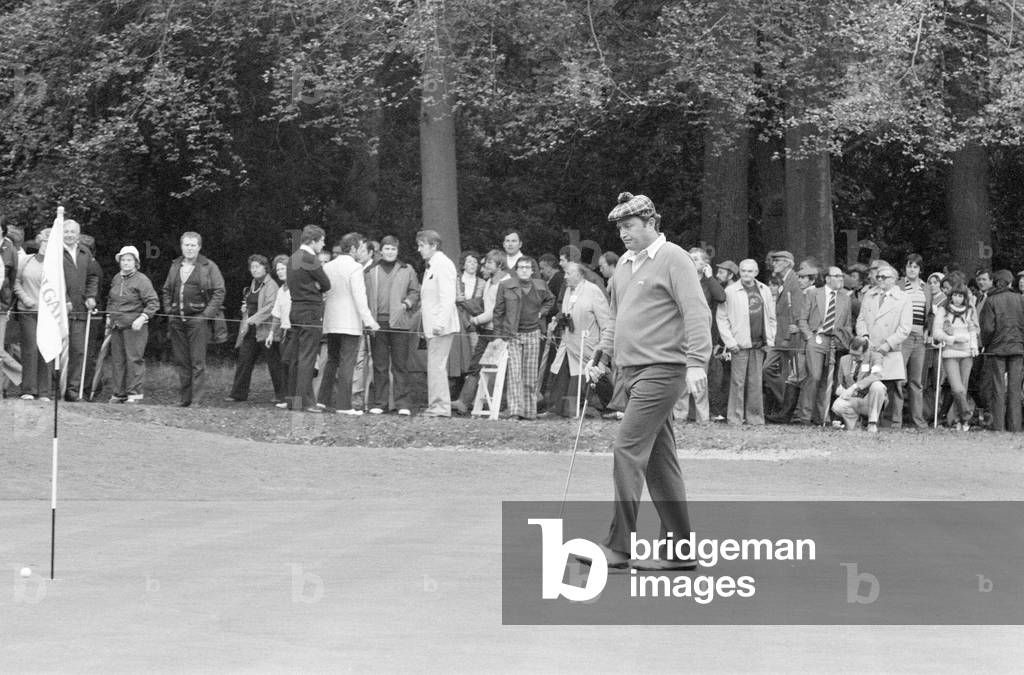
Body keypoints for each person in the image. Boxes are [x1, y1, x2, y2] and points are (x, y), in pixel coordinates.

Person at [585, 192, 711, 570]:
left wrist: (697, 363)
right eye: (620, 228)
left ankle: (619, 547)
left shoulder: (673, 257)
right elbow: (617, 318)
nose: (623, 234)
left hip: (664, 369)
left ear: (650, 223)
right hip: (632, 371)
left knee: (626, 449)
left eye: (629, 226)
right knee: (660, 462)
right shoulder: (623, 264)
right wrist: (603, 355)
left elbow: (696, 310)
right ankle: (681, 552)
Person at [161, 232, 225, 407]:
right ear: (181, 246)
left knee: (197, 361)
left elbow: (219, 292)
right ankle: (185, 398)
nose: (189, 248)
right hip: (177, 320)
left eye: (193, 245)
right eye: (186, 245)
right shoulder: (175, 265)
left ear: (199, 247)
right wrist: (169, 311)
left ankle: (196, 400)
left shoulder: (209, 266)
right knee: (182, 361)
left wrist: (206, 316)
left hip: (198, 320)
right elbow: (166, 290)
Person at [319, 233, 379, 415]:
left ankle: (322, 400)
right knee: (347, 362)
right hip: (349, 322)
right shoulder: (355, 268)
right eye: (359, 247)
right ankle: (344, 405)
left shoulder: (328, 266)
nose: (361, 251)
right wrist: (370, 322)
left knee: (332, 360)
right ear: (352, 249)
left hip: (331, 320)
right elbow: (360, 298)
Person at [546, 262, 612, 417]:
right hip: (569, 341)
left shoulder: (593, 290)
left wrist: (604, 349)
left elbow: (606, 322)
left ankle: (613, 405)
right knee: (561, 372)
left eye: (569, 273)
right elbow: (567, 311)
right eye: (565, 273)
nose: (565, 276)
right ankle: (557, 408)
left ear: (580, 274)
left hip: (587, 344)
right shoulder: (568, 290)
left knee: (595, 374)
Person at [493, 256, 555, 420]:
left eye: (527, 267)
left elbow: (551, 300)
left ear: (532, 270)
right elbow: (498, 312)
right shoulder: (506, 286)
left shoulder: (540, 286)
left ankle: (529, 411)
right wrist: (498, 336)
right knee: (514, 373)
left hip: (533, 333)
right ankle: (515, 411)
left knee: (530, 375)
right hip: (513, 335)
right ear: (516, 270)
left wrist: (542, 312)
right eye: (521, 267)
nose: (524, 270)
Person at [365, 235, 420, 416]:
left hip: (400, 323)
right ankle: (380, 403)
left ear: (398, 251)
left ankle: (402, 403)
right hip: (377, 323)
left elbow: (415, 291)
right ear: (381, 251)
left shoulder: (407, 269)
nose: (390, 252)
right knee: (379, 365)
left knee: (400, 365)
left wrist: (407, 304)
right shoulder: (371, 270)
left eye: (393, 249)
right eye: (387, 248)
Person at [717, 259, 775, 425]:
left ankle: (755, 418)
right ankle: (735, 418)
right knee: (738, 382)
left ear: (756, 272)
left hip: (759, 343)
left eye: (750, 271)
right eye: (743, 271)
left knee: (755, 382)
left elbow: (772, 317)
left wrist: (770, 338)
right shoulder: (730, 291)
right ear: (739, 272)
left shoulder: (764, 290)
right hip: (739, 343)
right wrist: (730, 341)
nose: (746, 274)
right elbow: (722, 318)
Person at [855, 263, 912, 428]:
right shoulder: (869, 295)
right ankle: (869, 419)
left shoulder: (903, 298)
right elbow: (861, 319)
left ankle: (888, 423)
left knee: (890, 387)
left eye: (884, 277)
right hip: (870, 349)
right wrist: (865, 338)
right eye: (878, 276)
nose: (879, 279)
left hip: (890, 350)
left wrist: (887, 345)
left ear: (894, 279)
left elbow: (905, 328)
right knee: (868, 383)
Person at [795, 265, 853, 425]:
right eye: (837, 276)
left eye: (842, 276)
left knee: (828, 380)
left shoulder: (845, 298)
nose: (841, 279)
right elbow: (802, 319)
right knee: (814, 376)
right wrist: (809, 337)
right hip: (816, 338)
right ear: (828, 278)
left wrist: (842, 338)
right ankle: (805, 416)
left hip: (835, 341)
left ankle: (822, 417)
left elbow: (848, 324)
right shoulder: (813, 293)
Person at [453, 250, 508, 414]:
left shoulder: (504, 283)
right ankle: (464, 402)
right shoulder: (489, 281)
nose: (485, 266)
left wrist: (475, 320)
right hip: (485, 330)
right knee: (475, 366)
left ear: (499, 264)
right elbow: (484, 304)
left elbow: (495, 311)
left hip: (497, 332)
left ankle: (495, 404)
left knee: (495, 369)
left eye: (490, 263)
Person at [675, 248, 725, 423]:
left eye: (697, 259)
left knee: (700, 375)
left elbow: (721, 296)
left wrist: (710, 277)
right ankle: (680, 414)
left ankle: (702, 416)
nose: (692, 261)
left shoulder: (709, 284)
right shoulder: (682, 280)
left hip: (702, 334)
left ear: (705, 264)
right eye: (691, 258)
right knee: (681, 374)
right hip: (681, 333)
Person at [226, 255, 284, 403]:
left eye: (258, 266)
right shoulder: (252, 284)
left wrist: (254, 319)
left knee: (274, 363)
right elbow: (251, 303)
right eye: (252, 267)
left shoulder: (271, 285)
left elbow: (270, 306)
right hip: (250, 330)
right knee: (244, 360)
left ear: (266, 268)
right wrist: (245, 309)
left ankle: (282, 395)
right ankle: (238, 394)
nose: (254, 269)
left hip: (266, 330)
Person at [106, 245, 159, 403]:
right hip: (117, 325)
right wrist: (109, 316)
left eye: (129, 260)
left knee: (134, 359)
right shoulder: (116, 278)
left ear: (136, 262)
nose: (126, 263)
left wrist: (142, 318)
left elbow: (153, 303)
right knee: (117, 360)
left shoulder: (142, 280)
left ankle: (134, 394)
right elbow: (111, 300)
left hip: (135, 327)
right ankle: (119, 393)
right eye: (123, 259)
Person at [286, 225, 331, 412]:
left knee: (296, 357)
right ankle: (307, 402)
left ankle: (293, 401)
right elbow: (326, 283)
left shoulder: (293, 257)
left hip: (295, 308)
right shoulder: (310, 259)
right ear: (313, 241)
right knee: (307, 357)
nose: (323, 244)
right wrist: (317, 288)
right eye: (321, 241)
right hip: (310, 311)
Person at [417, 229, 460, 417]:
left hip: (440, 326)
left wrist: (440, 323)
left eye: (422, 245)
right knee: (435, 366)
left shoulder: (443, 264)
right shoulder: (433, 265)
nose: (419, 250)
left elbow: (448, 297)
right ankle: (437, 405)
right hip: (433, 325)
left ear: (433, 246)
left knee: (436, 366)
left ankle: (440, 407)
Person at [61, 219, 102, 401]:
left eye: (72, 232)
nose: (69, 235)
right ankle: (55, 389)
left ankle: (73, 390)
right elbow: (51, 281)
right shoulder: (55, 253)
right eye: (66, 231)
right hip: (59, 311)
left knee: (78, 351)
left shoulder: (85, 252)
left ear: (78, 234)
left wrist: (91, 296)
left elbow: (93, 277)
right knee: (57, 351)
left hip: (79, 312)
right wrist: (65, 300)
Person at [978, 269, 1024, 432]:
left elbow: (988, 328)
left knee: (997, 387)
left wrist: (986, 344)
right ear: (1011, 282)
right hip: (1018, 347)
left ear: (996, 282)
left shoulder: (991, 301)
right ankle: (1015, 426)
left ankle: (998, 426)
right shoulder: (1020, 299)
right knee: (1015, 388)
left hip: (997, 349)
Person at [892, 254, 933, 430]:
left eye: (915, 267)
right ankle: (895, 421)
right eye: (909, 266)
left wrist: (928, 331)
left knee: (916, 382)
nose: (912, 269)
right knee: (899, 379)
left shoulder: (927, 287)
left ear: (920, 269)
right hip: (903, 337)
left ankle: (918, 420)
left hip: (920, 338)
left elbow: (931, 313)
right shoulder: (899, 285)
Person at [932, 284, 979, 431]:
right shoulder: (943, 310)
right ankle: (967, 416)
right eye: (955, 295)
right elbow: (936, 332)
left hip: (966, 354)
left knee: (963, 389)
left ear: (965, 298)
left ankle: (961, 421)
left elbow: (973, 330)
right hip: (950, 353)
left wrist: (973, 345)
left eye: (960, 296)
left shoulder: (969, 310)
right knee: (957, 389)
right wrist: (953, 339)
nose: (957, 299)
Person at [763, 250, 804, 421]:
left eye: (778, 261)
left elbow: (795, 311)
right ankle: (786, 406)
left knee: (791, 374)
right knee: (770, 369)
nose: (774, 264)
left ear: (787, 263)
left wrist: (788, 337)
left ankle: (788, 411)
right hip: (781, 337)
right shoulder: (785, 280)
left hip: (789, 339)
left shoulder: (793, 281)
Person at [13, 229, 54, 400]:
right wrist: (25, 298)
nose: (46, 245)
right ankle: (28, 389)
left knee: (45, 350)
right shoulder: (26, 260)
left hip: (49, 314)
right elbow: (16, 282)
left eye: (49, 242)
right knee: (29, 349)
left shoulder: (57, 265)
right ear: (39, 243)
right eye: (44, 242)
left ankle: (44, 391)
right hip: (27, 311)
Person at [831, 337, 887, 432]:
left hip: (869, 400)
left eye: (856, 355)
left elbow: (877, 375)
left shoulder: (876, 357)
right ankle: (851, 425)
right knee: (837, 405)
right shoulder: (844, 360)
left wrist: (854, 387)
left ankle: (872, 423)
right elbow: (840, 383)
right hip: (853, 399)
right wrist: (841, 391)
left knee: (878, 386)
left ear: (865, 351)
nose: (853, 357)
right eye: (851, 354)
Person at [265, 255, 295, 409]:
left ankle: (296, 401)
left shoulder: (296, 288)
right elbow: (276, 314)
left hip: (295, 331)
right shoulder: (281, 290)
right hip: (283, 332)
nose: (281, 272)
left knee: (290, 363)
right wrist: (271, 333)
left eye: (283, 268)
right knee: (284, 366)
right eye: (278, 269)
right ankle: (288, 399)